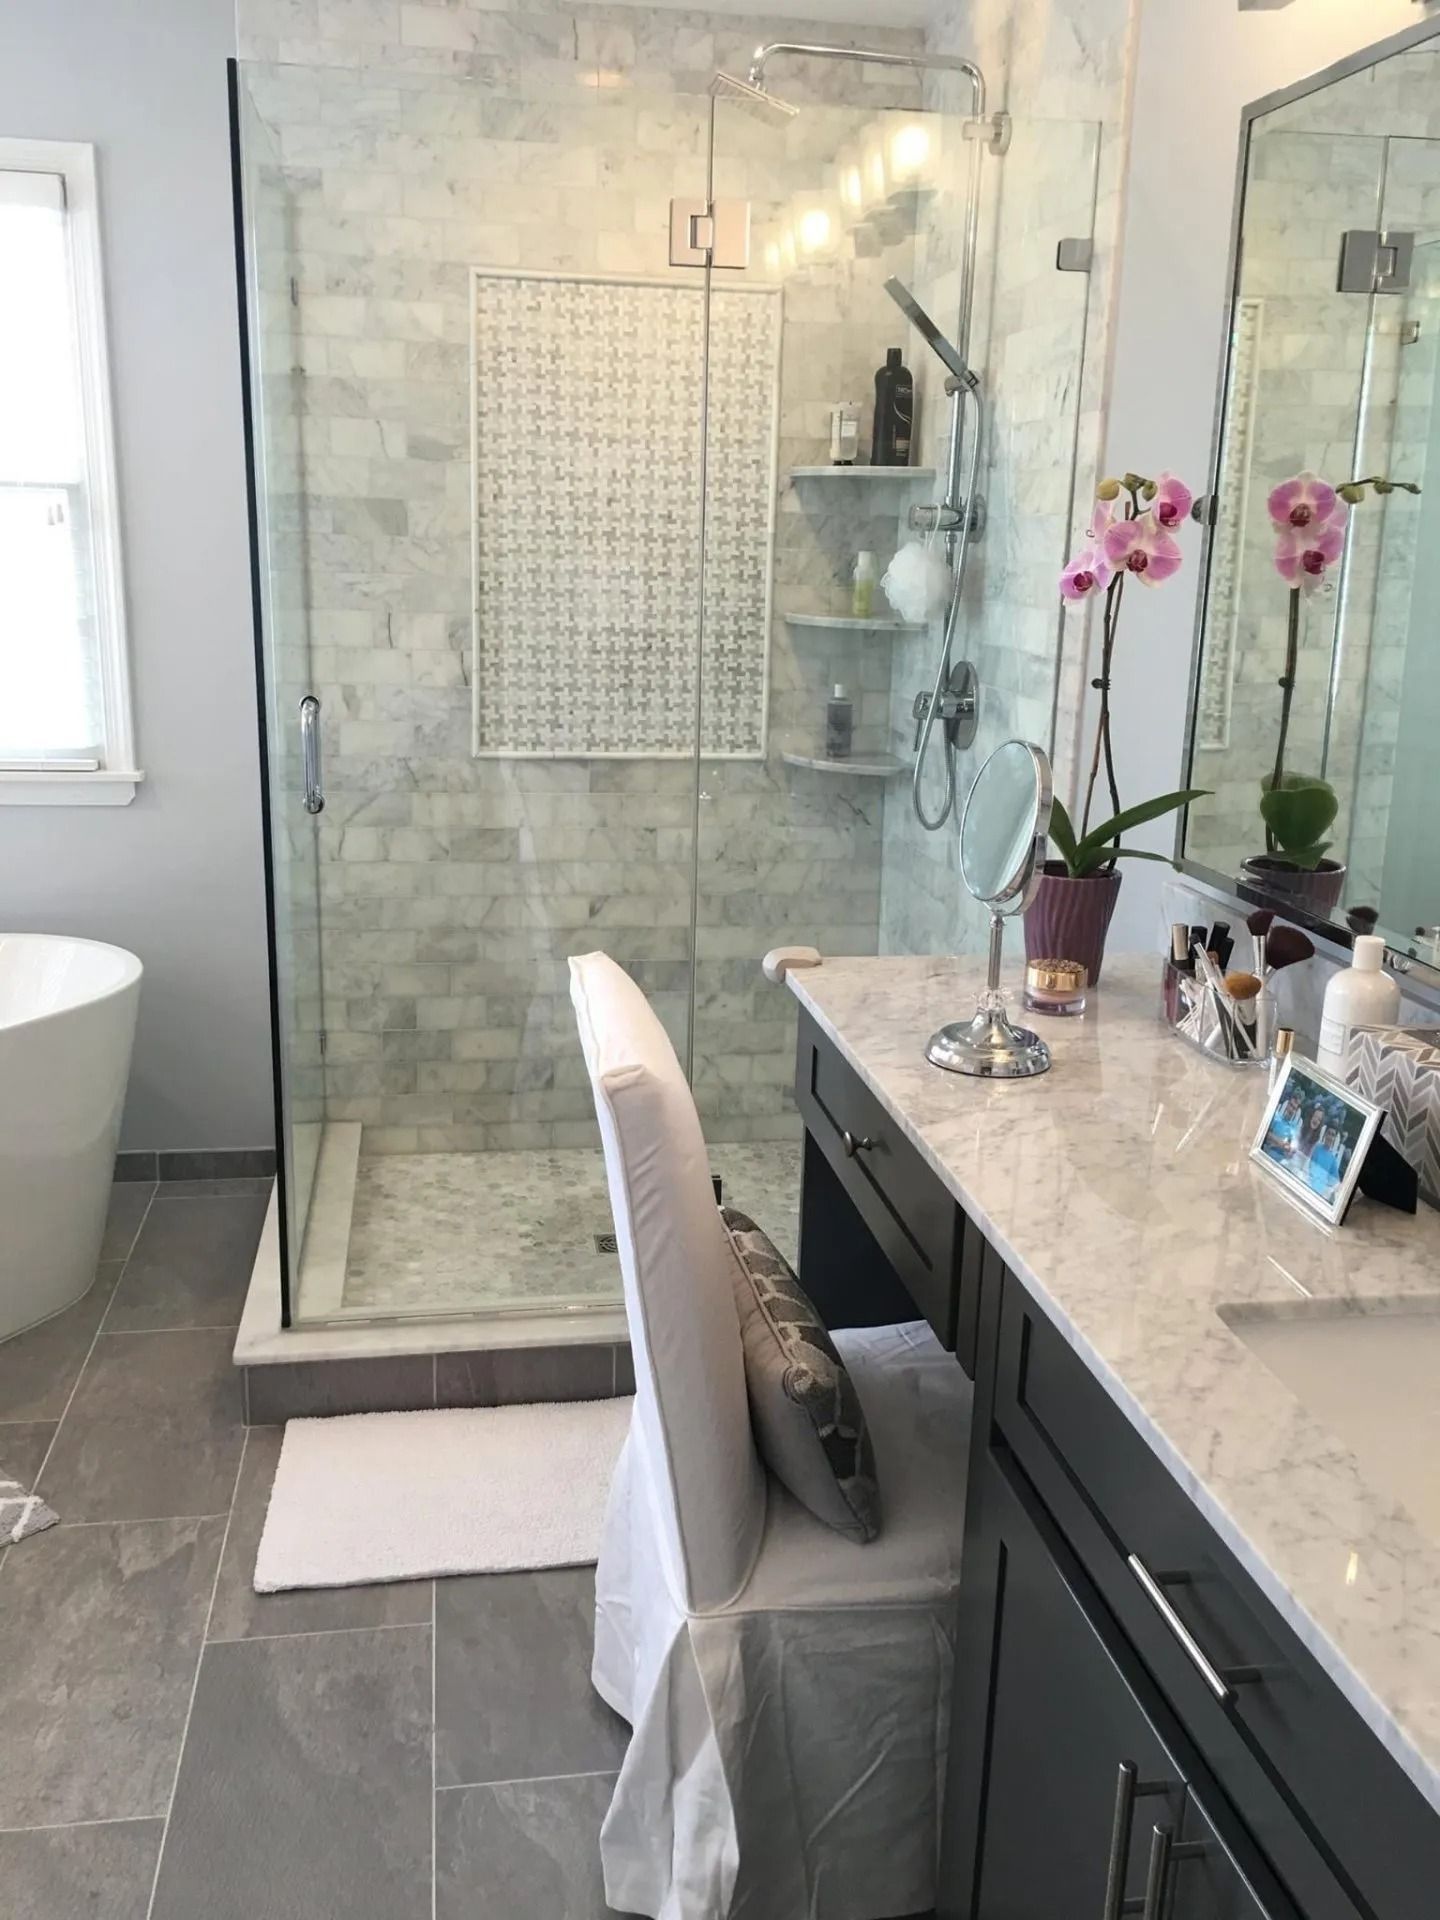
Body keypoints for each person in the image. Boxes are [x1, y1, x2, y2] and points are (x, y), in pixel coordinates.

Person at [1305, 1124, 1344, 1204]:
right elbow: (1306, 1163)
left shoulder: (1333, 1159)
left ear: (1334, 1139)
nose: (1330, 1137)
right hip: (1307, 1182)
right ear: (1325, 1134)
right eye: (1329, 1133)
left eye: (1333, 1135)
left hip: (1320, 1194)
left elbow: (1335, 1181)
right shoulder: (1316, 1147)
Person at [1263, 1091, 1304, 1163]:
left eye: (1294, 1108)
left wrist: (1275, 1140)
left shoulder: (1294, 1128)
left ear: (1296, 1111)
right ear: (1287, 1104)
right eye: (1290, 1105)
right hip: (1266, 1152)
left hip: (1281, 1161)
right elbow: (1266, 1133)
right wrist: (1280, 1143)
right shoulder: (1276, 1118)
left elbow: (1291, 1150)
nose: (1291, 1109)